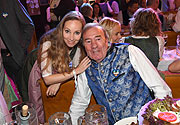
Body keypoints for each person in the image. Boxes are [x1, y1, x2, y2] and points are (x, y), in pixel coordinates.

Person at [69, 23, 172, 125]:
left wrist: (159, 119)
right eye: (88, 41)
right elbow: (79, 104)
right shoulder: (86, 68)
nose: (94, 45)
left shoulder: (129, 51)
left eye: (98, 39)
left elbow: (160, 88)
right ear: (83, 46)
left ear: (106, 40)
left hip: (143, 121)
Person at [38, 11, 91, 97]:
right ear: (61, 29)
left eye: (77, 33)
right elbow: (47, 79)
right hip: (39, 79)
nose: (71, 38)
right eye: (67, 31)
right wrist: (75, 72)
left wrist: (59, 81)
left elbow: (76, 68)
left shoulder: (80, 47)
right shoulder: (48, 43)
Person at [0, 0, 34, 95]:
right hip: (1, 60)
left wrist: (20, 47)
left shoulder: (10, 2)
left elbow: (29, 25)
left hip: (14, 56)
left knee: (24, 91)